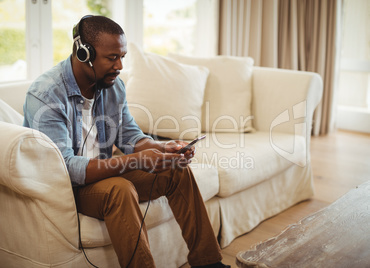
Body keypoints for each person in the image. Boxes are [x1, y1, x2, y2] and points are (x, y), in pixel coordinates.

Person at [23, 15, 230, 268]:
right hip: (66, 189)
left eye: (122, 56)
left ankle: (208, 263)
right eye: (112, 58)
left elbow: (130, 136)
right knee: (120, 190)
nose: (120, 65)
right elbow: (66, 168)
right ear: (84, 53)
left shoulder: (113, 87)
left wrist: (163, 149)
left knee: (176, 170)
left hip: (103, 174)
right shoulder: (47, 95)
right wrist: (138, 160)